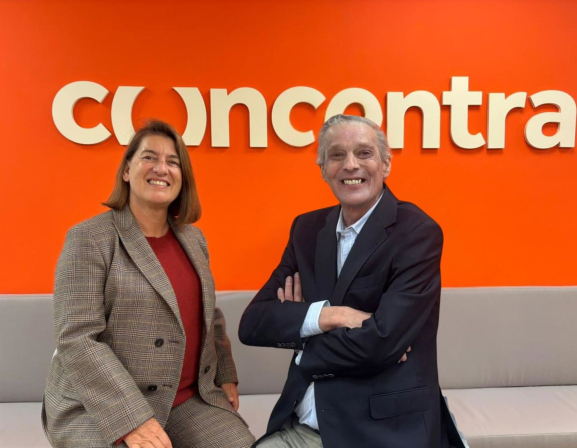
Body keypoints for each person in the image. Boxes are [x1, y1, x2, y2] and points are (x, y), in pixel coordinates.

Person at [239, 114, 466, 448]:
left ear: (385, 164)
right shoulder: (306, 230)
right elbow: (254, 324)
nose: (350, 165)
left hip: (381, 434)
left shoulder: (417, 233)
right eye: (336, 155)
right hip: (300, 426)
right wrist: (332, 315)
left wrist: (303, 340)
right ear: (323, 169)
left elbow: (382, 343)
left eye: (364, 153)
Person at [42, 120, 255, 448]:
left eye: (173, 161)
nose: (161, 168)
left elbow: (209, 315)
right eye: (149, 157)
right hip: (97, 404)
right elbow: (77, 339)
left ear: (182, 177)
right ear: (127, 170)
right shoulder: (89, 238)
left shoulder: (194, 239)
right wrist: (132, 418)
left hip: (186, 399)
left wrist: (225, 373)